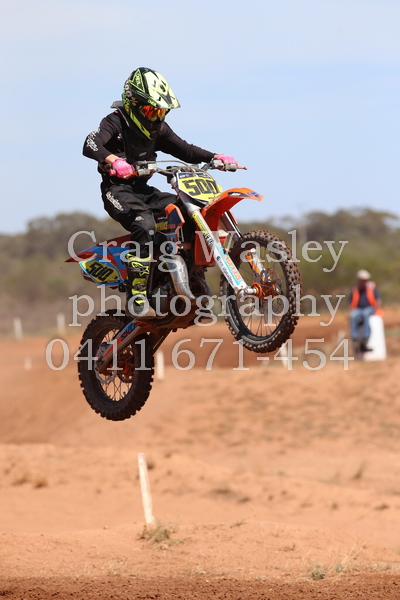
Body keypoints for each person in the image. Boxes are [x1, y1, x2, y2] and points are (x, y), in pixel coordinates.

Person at [83, 67, 237, 317]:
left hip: (145, 191)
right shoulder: (115, 121)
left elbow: (185, 150)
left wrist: (215, 157)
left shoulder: (160, 130)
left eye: (161, 112)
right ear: (133, 104)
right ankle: (137, 296)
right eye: (151, 111)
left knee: (188, 212)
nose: (156, 118)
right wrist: (114, 160)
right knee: (144, 224)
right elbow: (91, 144)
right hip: (118, 191)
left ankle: (192, 280)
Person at [349, 269, 382, 352]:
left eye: (365, 280)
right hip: (358, 309)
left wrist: (376, 309)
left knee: (366, 314)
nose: (364, 281)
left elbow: (378, 300)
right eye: (362, 280)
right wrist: (350, 310)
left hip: (370, 308)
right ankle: (355, 338)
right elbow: (350, 302)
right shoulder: (355, 289)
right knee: (352, 315)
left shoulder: (372, 287)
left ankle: (366, 338)